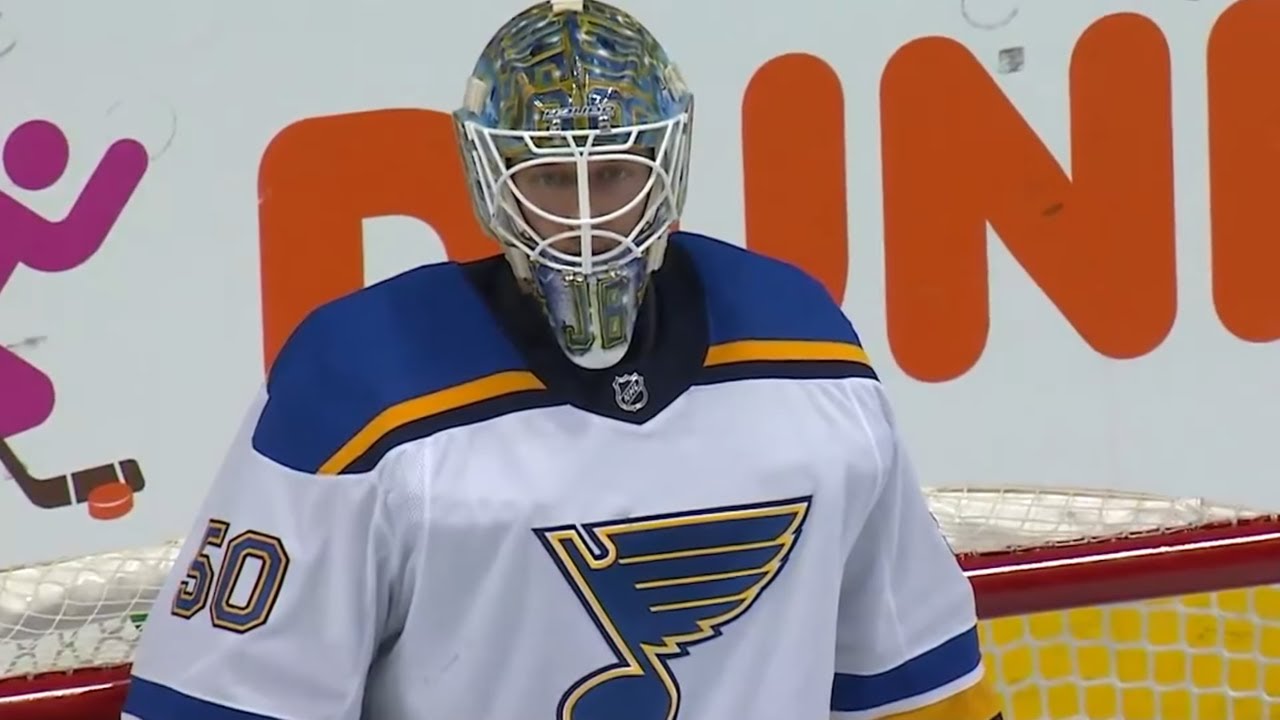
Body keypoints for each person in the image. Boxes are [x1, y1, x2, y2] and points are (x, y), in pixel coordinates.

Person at [121, 1, 1004, 718]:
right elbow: (226, 701)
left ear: (667, 162)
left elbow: (912, 684)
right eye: (548, 178)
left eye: (614, 172)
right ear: (489, 176)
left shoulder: (806, 345)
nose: (586, 217)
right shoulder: (357, 382)